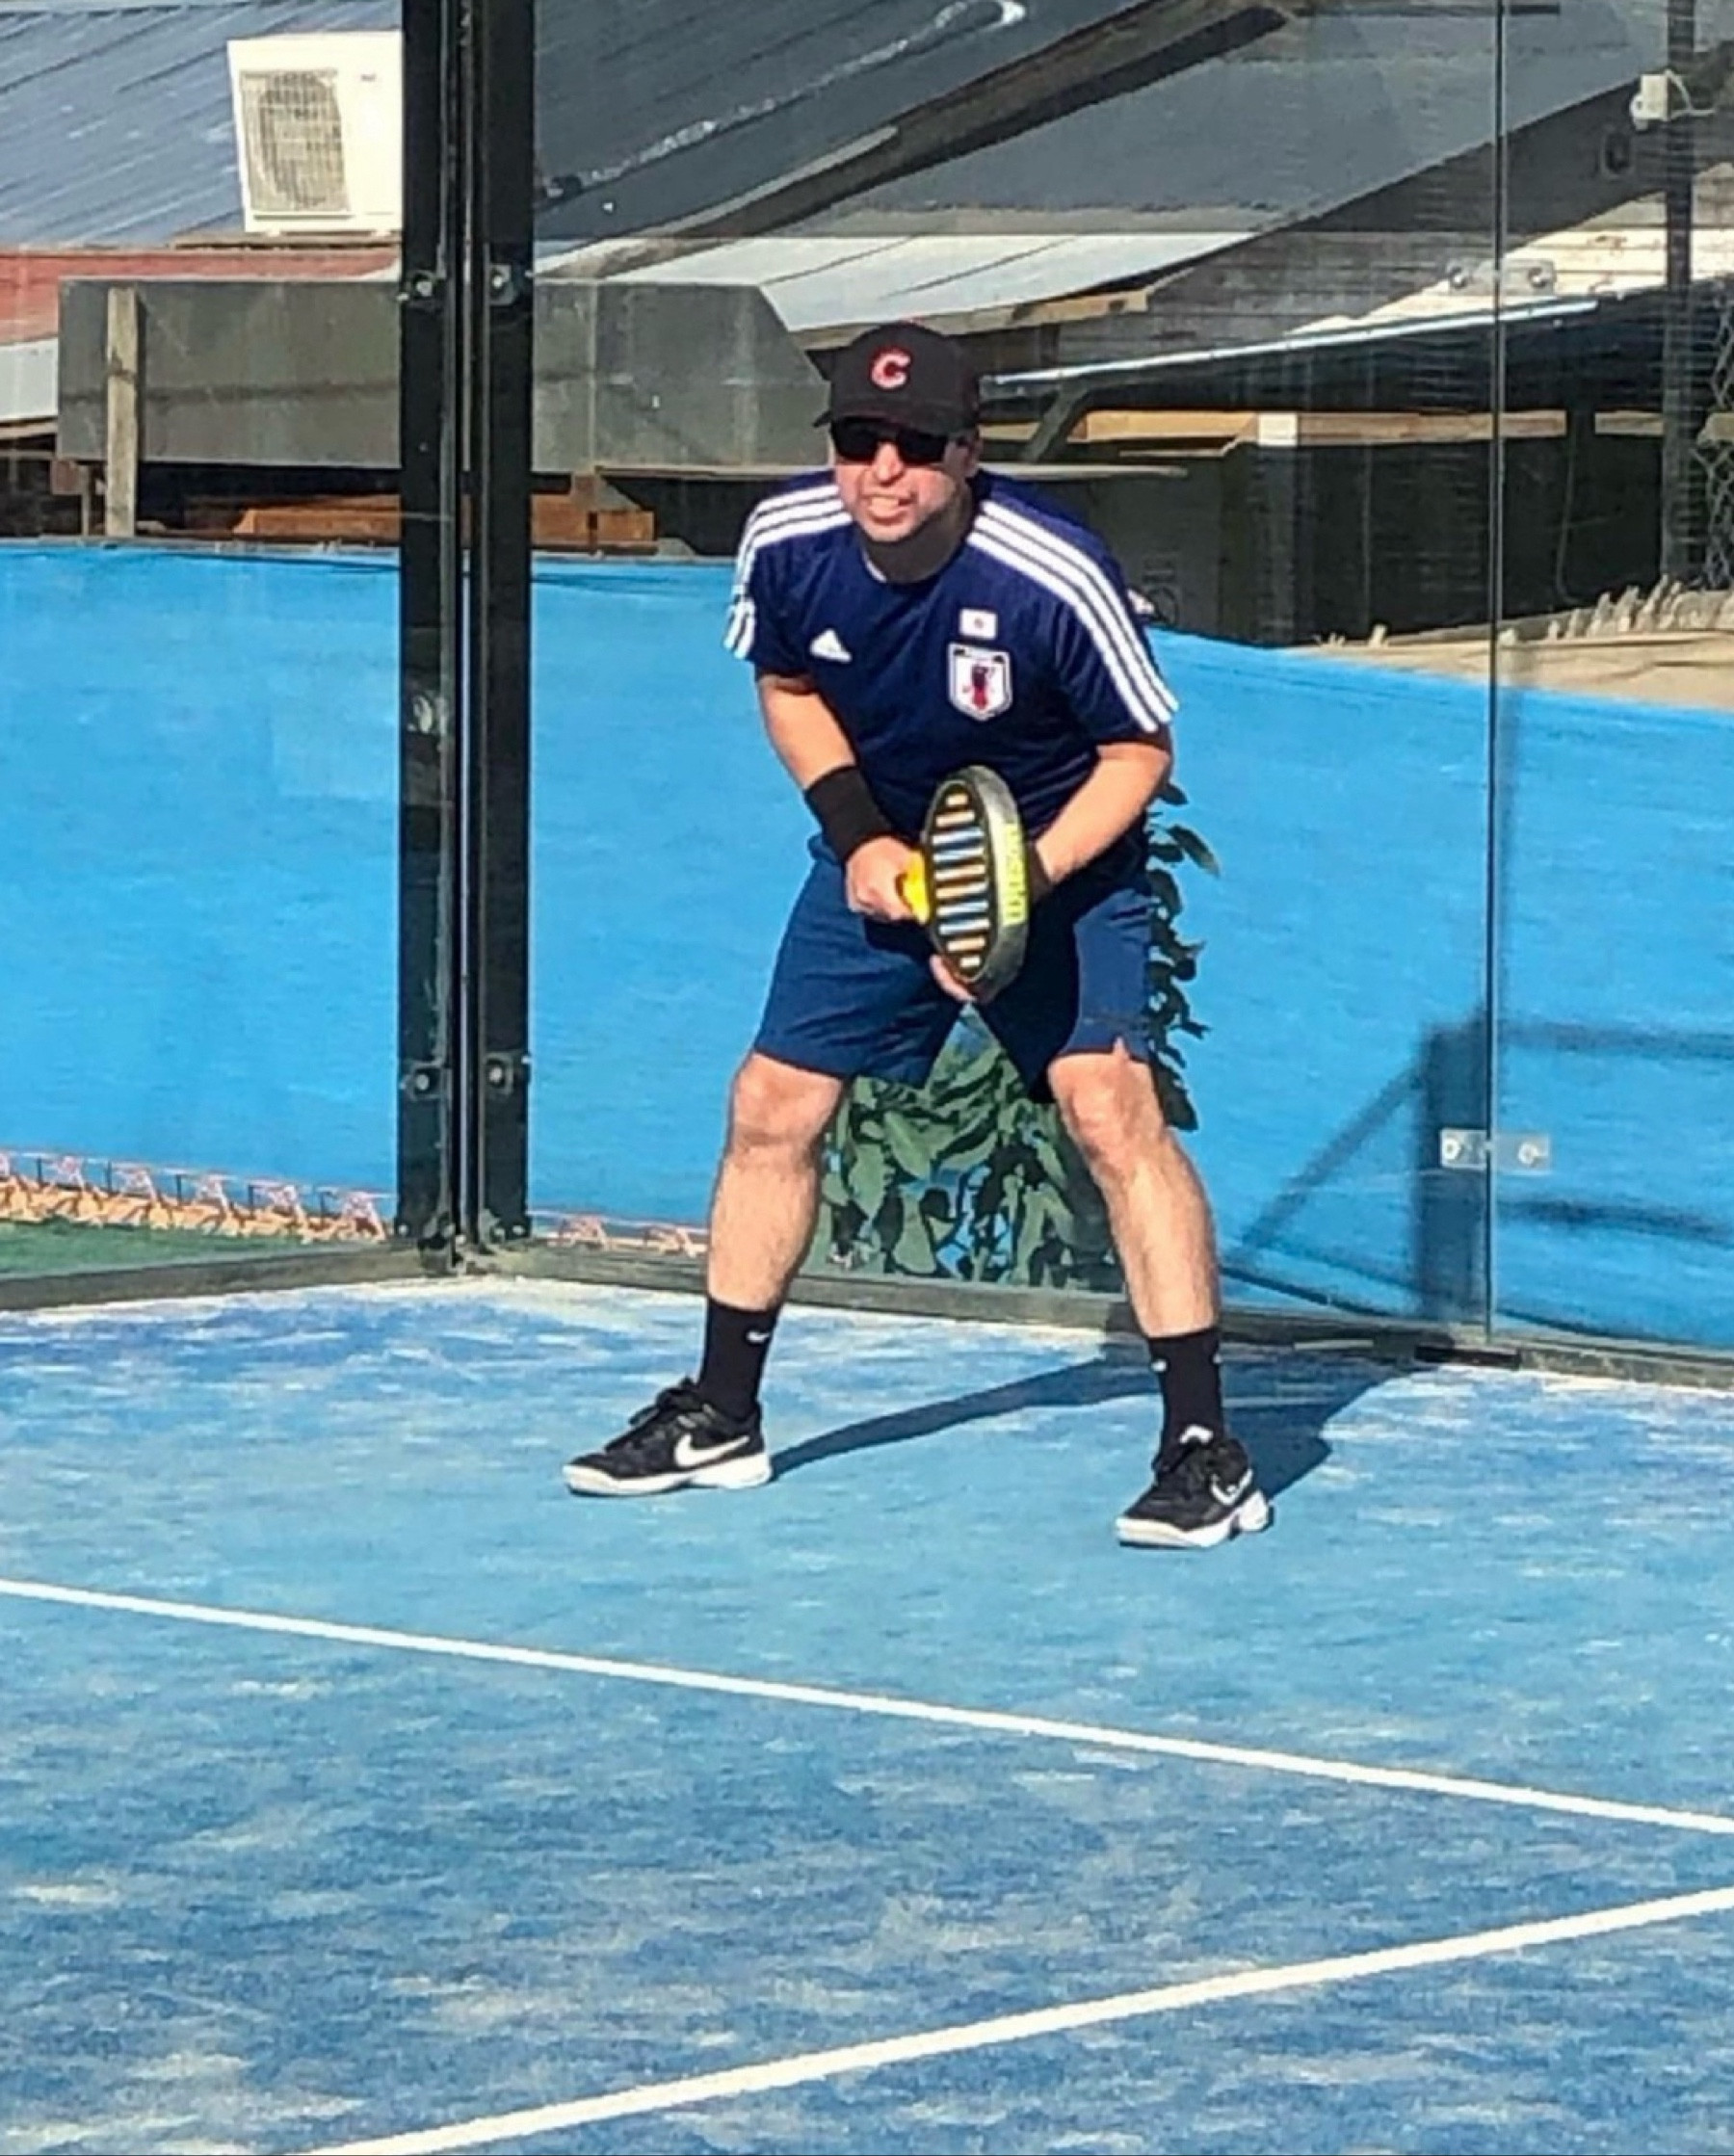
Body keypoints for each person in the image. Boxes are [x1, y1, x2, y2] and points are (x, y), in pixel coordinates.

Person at [565, 320, 1269, 1552]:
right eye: (858, 441)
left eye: (915, 444)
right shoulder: (788, 542)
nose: (883, 470)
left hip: (1060, 860)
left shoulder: (1052, 574)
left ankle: (1205, 1450)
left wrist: (1016, 884)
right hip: (888, 849)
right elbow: (789, 687)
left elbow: (1140, 753)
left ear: (966, 453)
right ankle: (722, 1413)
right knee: (773, 1104)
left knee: (1109, 1110)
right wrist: (860, 839)